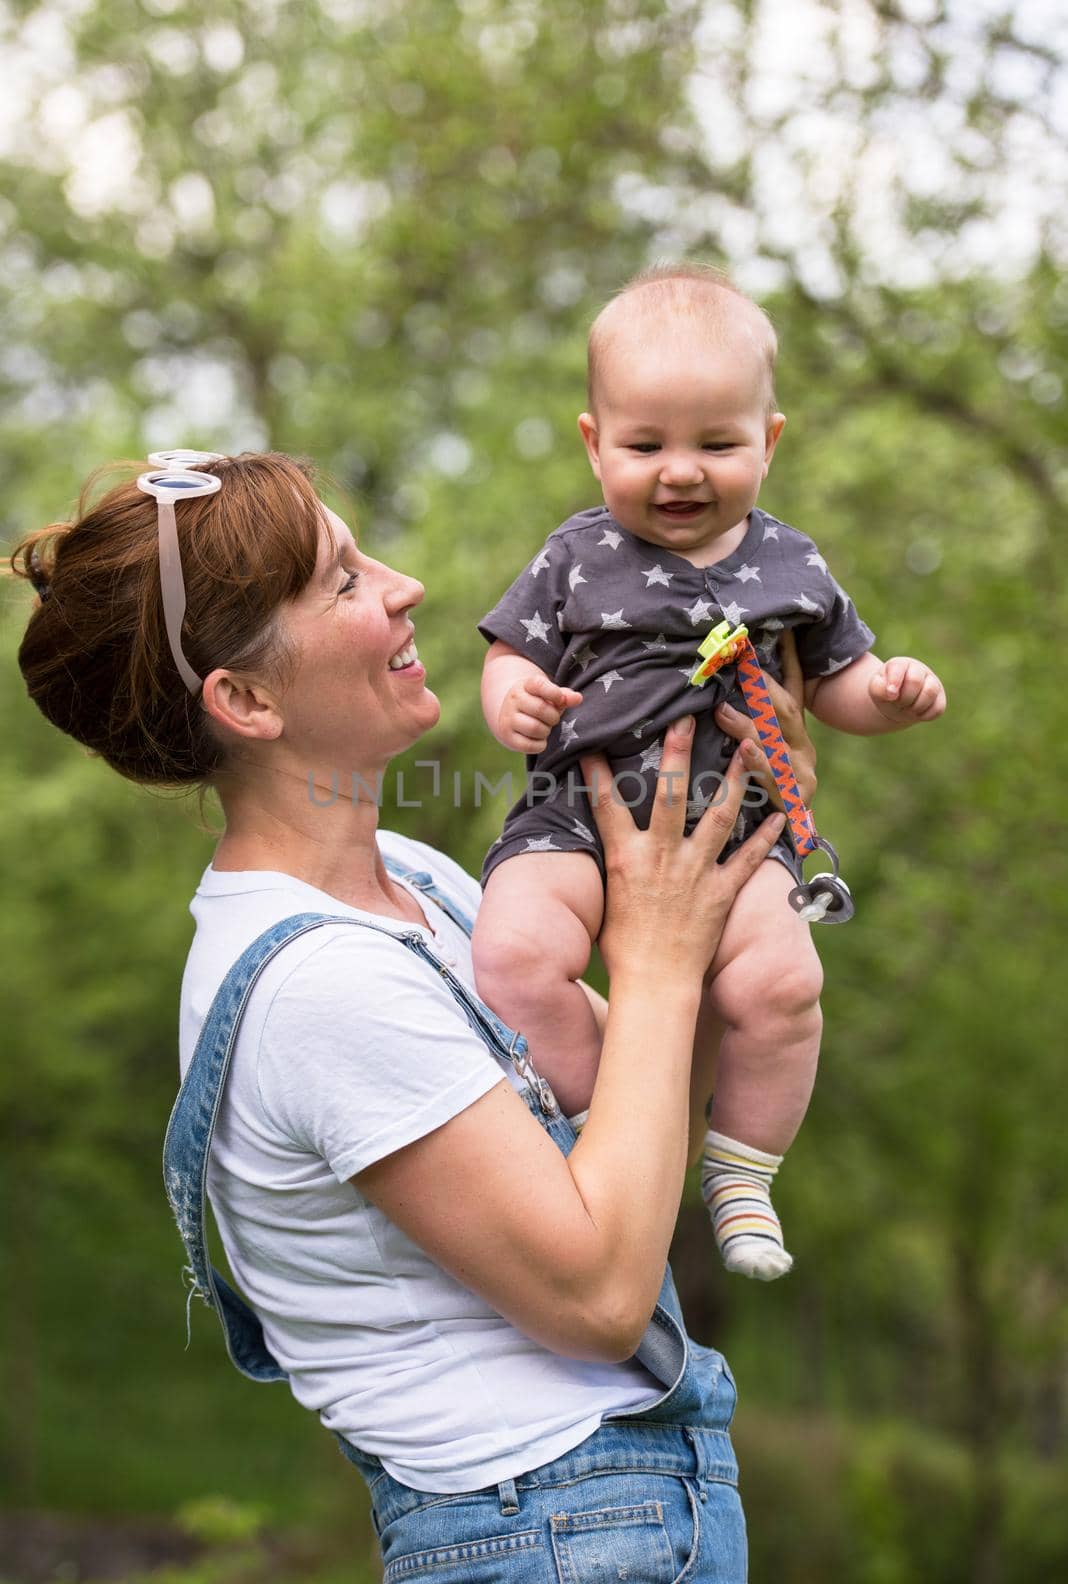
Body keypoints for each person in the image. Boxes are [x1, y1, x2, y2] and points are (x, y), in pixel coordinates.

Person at [10, 449, 816, 1581]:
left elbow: (640, 1097)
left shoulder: (413, 881)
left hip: (616, 1515)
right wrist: (661, 955)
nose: (405, 588)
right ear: (245, 700)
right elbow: (597, 1292)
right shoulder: (317, 986)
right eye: (343, 581)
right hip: (548, 1535)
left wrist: (734, 847)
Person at [474, 264, 946, 1282]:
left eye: (716, 444)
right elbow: (512, 648)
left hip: (738, 837)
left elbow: (837, 682)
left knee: (784, 986)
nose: (679, 472)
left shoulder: (793, 567)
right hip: (573, 817)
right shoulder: (576, 556)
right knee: (512, 954)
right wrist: (508, 692)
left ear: (768, 441)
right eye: (645, 445)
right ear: (595, 443)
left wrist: (890, 693)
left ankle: (740, 1169)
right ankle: (604, 1115)